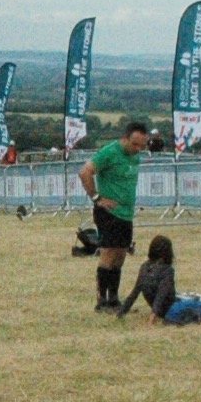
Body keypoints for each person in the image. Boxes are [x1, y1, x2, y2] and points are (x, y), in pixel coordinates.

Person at [78, 120, 150, 313]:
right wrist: (96, 197)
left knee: (120, 255)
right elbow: (85, 172)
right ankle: (102, 301)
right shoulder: (109, 152)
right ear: (124, 138)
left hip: (126, 214)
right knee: (109, 253)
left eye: (141, 146)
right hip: (109, 213)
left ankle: (114, 299)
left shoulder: (135, 157)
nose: (137, 149)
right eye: (134, 144)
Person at [117, 234, 177, 322]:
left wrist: (122, 312)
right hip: (169, 309)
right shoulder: (168, 270)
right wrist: (152, 317)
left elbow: (135, 293)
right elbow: (161, 294)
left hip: (155, 307)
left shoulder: (144, 267)